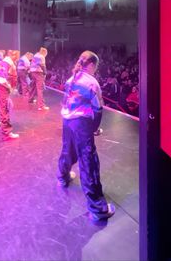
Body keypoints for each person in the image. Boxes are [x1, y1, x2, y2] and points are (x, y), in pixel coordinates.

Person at [57, 50, 115, 221]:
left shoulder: (70, 79)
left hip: (67, 121)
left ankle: (63, 177)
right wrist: (94, 128)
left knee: (68, 150)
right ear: (91, 65)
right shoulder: (91, 83)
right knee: (88, 161)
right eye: (95, 66)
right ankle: (98, 208)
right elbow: (98, 110)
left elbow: (64, 102)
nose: (95, 70)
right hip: (81, 124)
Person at [0, 50, 20, 140]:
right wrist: (12, 89)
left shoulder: (4, 61)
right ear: (15, 56)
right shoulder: (11, 64)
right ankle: (7, 132)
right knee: (5, 108)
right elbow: (13, 79)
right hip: (3, 85)